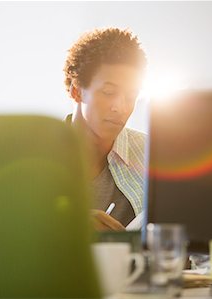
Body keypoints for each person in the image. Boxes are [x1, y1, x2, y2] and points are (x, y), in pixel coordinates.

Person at [63, 27, 148, 231]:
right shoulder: (36, 155)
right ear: (77, 91)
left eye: (131, 95)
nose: (121, 107)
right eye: (108, 92)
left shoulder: (151, 155)